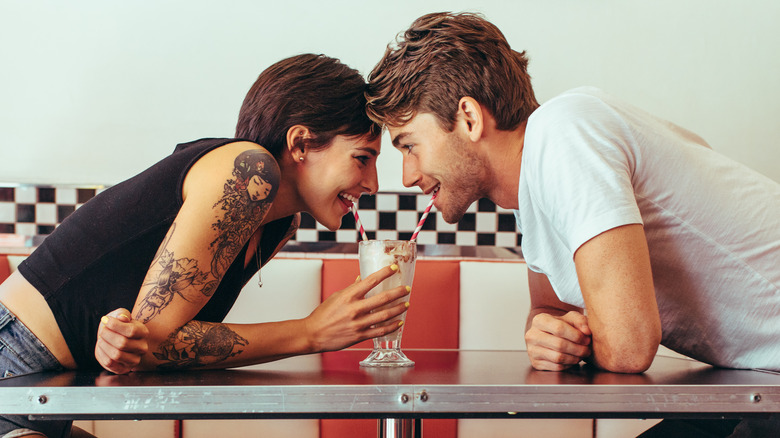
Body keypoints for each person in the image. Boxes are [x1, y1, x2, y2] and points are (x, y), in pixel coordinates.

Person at [365, 12, 780, 437]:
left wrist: (583, 342)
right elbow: (551, 310)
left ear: (469, 118)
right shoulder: (533, 187)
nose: (408, 176)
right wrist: (549, 336)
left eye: (410, 146)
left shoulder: (564, 134)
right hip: (760, 387)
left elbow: (629, 346)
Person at [0, 54, 410, 438]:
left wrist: (128, 344)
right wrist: (310, 332)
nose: (373, 184)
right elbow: (157, 345)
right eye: (362, 158)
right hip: (13, 364)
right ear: (300, 144)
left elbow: (156, 345)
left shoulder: (279, 225)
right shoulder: (249, 169)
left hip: (52, 391)